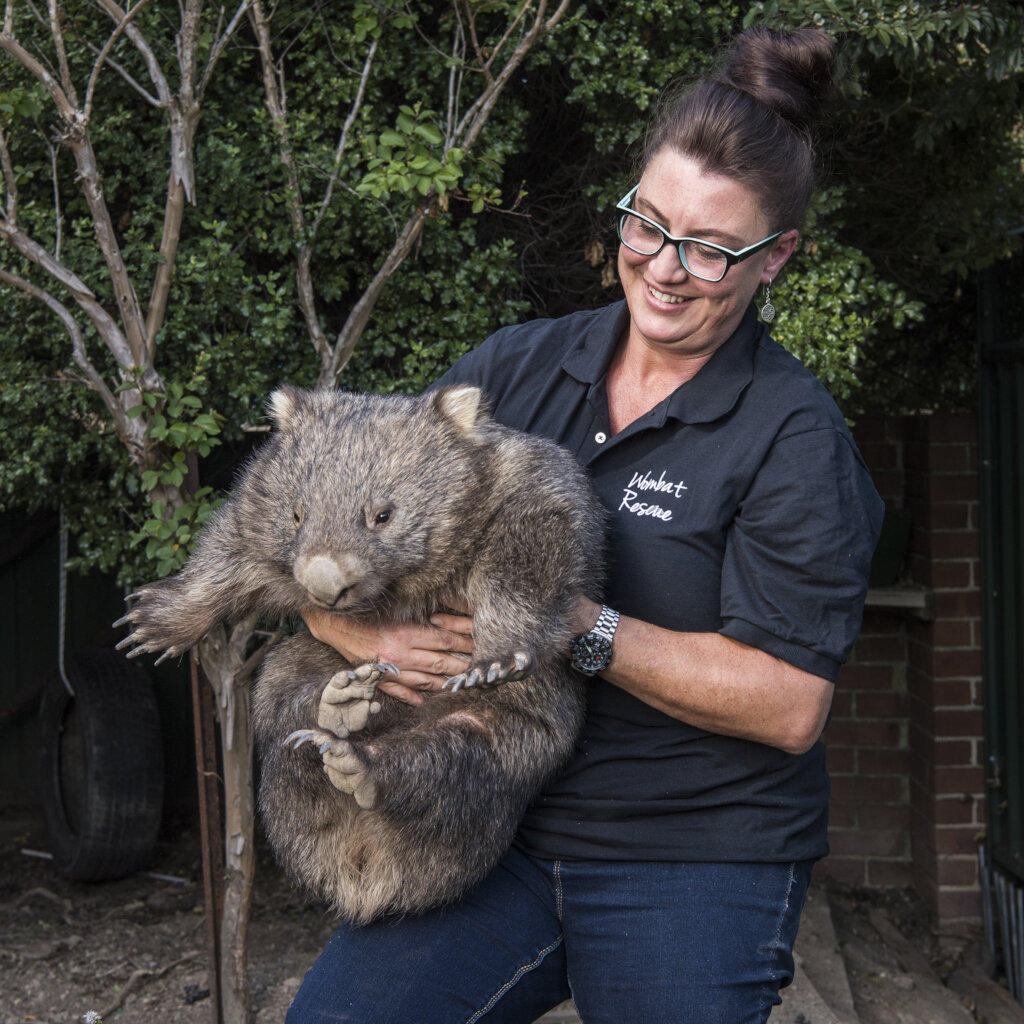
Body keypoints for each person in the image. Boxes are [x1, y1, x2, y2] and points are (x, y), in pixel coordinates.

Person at [288, 26, 883, 1024]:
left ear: (775, 256)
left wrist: (570, 624)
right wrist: (367, 636)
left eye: (708, 247)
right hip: (496, 825)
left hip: (693, 848)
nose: (663, 267)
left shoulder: (791, 437)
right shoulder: (520, 367)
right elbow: (340, 541)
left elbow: (784, 704)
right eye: (645, 225)